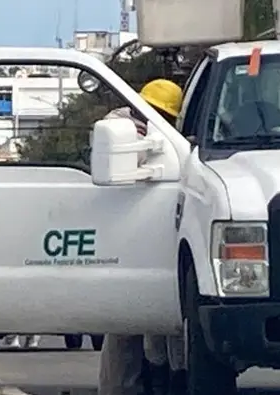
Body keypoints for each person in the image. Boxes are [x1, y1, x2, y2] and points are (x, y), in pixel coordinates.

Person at [99, 79, 187, 395]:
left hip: (158, 242)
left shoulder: (168, 141)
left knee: (166, 330)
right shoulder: (119, 128)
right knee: (126, 329)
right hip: (124, 244)